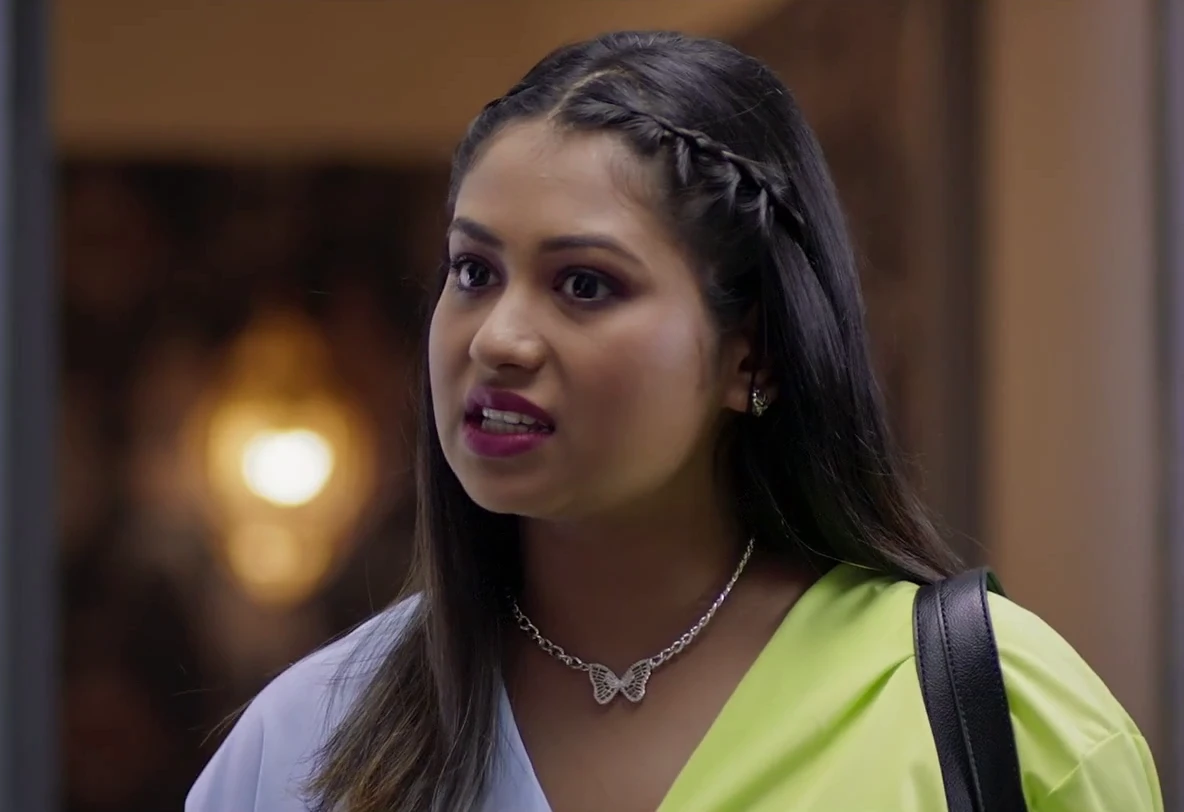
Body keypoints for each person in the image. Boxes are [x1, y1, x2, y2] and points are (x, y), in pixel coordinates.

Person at [187, 31, 1160, 811]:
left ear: (752, 355)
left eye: (584, 284)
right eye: (473, 271)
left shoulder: (996, 715)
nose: (499, 339)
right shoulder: (308, 744)